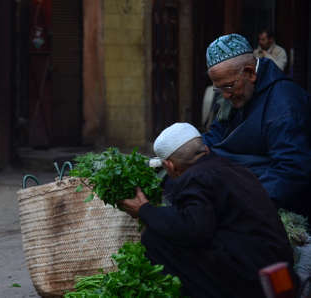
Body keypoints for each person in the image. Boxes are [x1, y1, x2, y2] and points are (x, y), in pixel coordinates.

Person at [120, 123, 295, 298]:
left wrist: (144, 210)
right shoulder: (234, 169)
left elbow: (193, 229)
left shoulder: (196, 178)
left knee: (156, 240)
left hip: (252, 278)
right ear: (206, 150)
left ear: (170, 165)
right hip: (280, 266)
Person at [203, 33, 311, 219]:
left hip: (274, 202)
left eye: (228, 87)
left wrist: (240, 204)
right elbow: (217, 134)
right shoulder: (235, 91)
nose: (225, 95)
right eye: (219, 88)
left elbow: (290, 171)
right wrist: (191, 149)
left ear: (250, 73)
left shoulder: (285, 105)